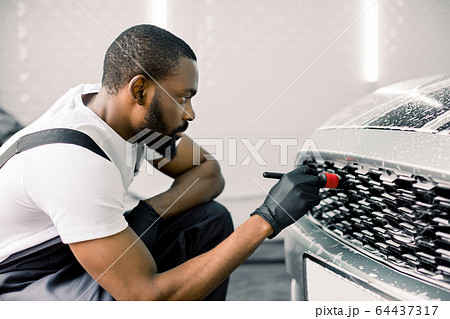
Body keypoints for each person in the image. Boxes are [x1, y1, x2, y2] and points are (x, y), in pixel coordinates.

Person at [0, 24, 321, 300]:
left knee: (208, 220)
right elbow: (146, 296)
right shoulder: (72, 162)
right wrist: (267, 218)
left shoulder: (121, 115)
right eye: (182, 98)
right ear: (139, 89)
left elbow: (206, 172)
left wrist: (149, 212)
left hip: (72, 252)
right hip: (20, 282)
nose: (190, 113)